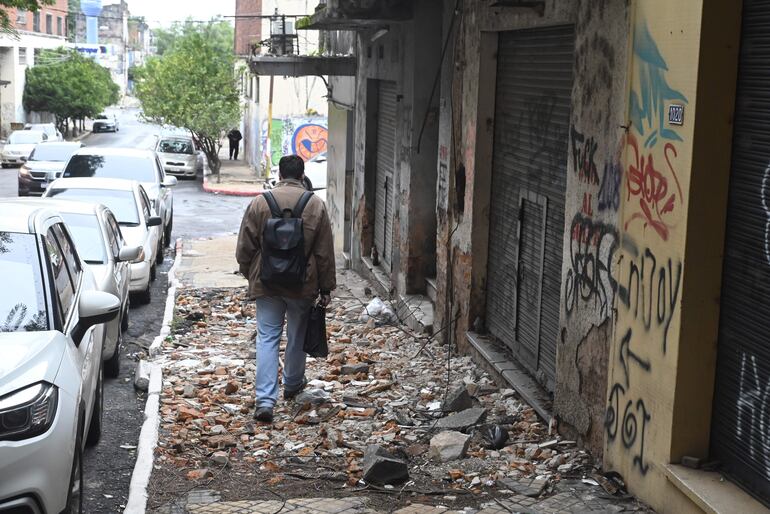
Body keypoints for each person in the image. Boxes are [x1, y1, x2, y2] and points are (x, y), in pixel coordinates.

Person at [236, 154, 336, 423]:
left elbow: (245, 247)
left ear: (279, 175)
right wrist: (326, 288)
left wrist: (250, 274)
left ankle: (265, 401)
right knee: (296, 335)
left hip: (266, 283)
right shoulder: (315, 204)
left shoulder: (260, 203)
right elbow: (324, 252)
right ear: (302, 176)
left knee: (267, 338)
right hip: (303, 283)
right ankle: (292, 384)